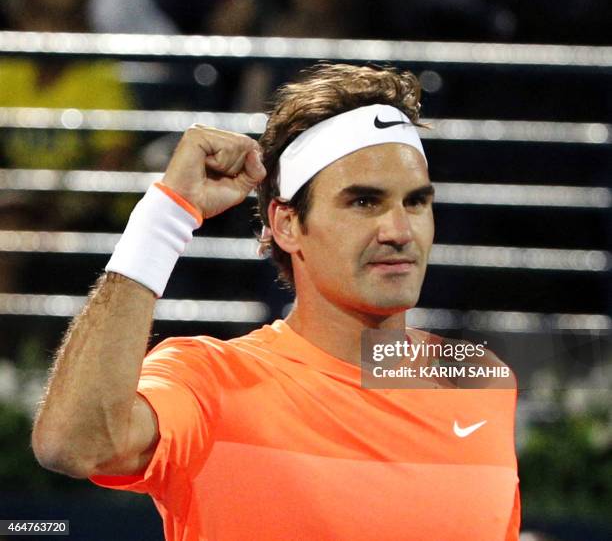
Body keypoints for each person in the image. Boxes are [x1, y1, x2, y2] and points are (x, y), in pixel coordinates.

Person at [32, 64, 521, 540]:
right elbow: (73, 444)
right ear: (286, 224)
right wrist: (162, 219)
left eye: (415, 202)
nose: (399, 232)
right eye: (363, 202)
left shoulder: (477, 377)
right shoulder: (210, 381)